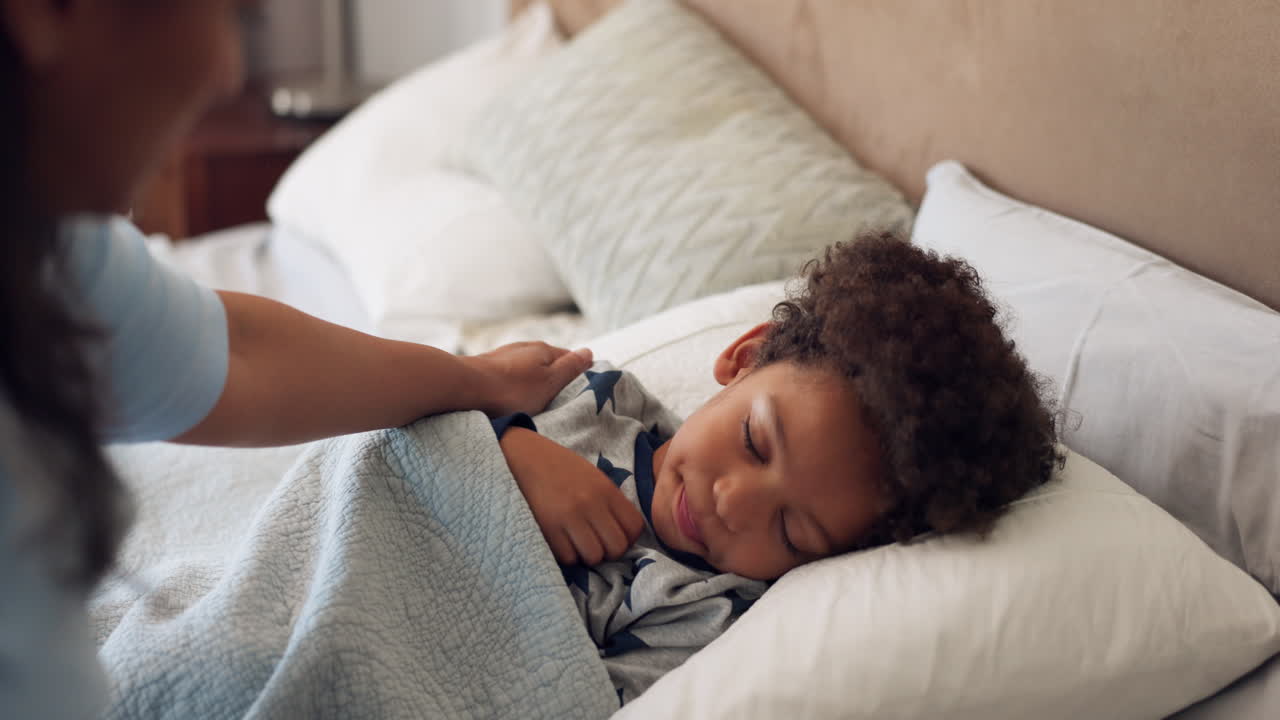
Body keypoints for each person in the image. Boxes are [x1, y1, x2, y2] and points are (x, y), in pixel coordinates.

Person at [0, 2, 591, 718]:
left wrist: (477, 380)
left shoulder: (53, 256)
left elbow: (238, 351)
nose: (226, 72)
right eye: (223, 12)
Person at [493, 233, 1063, 704]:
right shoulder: (587, 395)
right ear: (746, 359)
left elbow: (560, 700)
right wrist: (507, 448)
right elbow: (420, 412)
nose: (734, 504)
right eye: (755, 442)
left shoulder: (705, 611)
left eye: (791, 531)